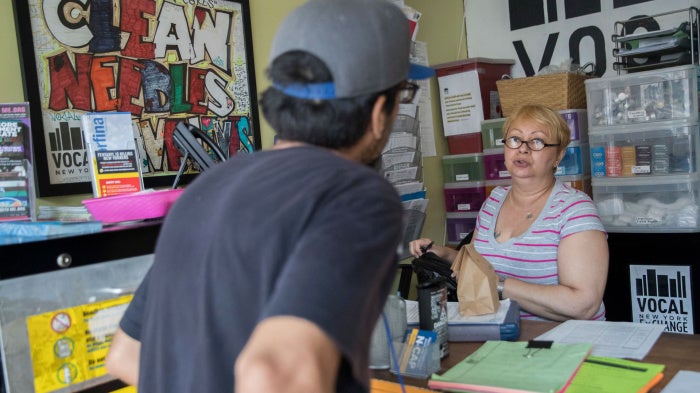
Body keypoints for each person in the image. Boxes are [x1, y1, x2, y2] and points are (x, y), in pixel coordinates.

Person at [104, 0, 434, 391]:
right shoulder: (354, 193)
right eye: (403, 94)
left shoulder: (206, 188)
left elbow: (126, 355)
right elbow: (275, 374)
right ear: (380, 110)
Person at [410, 104, 608, 322]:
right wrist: (444, 254)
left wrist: (498, 285)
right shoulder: (494, 200)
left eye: (537, 141)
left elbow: (583, 305)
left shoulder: (575, 209)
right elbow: (479, 266)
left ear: (558, 156)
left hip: (564, 344)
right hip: (499, 334)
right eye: (515, 139)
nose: (523, 149)